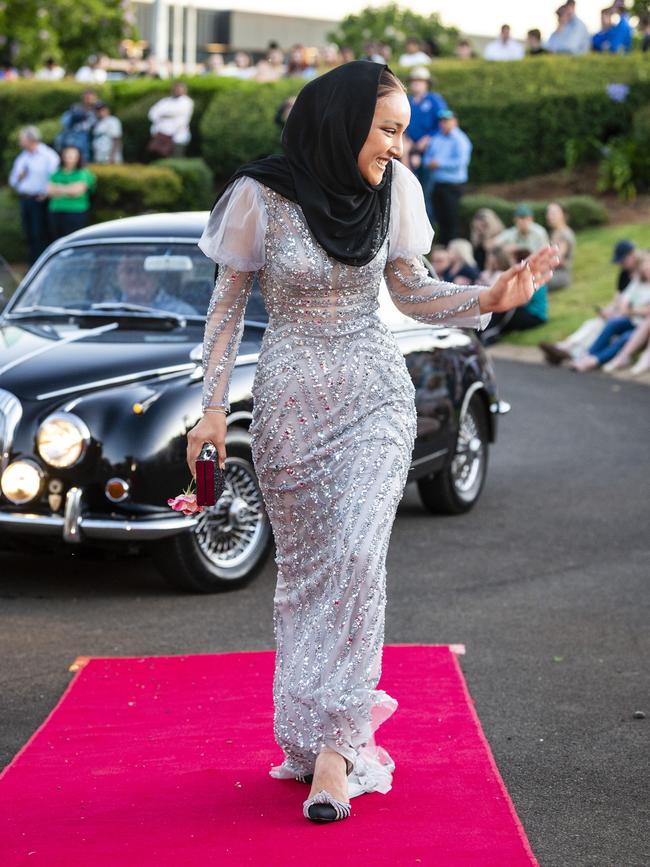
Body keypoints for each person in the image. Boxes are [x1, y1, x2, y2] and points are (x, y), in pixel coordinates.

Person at [187, 60, 558, 824]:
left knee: (358, 559)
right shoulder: (260, 195)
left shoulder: (397, 193)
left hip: (373, 400)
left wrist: (488, 295)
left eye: (404, 133)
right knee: (306, 579)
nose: (397, 147)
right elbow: (226, 309)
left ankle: (338, 750)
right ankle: (308, 734)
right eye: (387, 129)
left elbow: (411, 289)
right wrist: (213, 410)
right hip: (289, 405)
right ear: (340, 119)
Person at [539, 241, 639, 365]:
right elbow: (618, 298)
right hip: (618, 314)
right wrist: (608, 311)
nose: (621, 264)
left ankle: (568, 351)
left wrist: (617, 313)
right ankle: (565, 347)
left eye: (623, 260)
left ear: (632, 255)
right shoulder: (624, 275)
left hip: (630, 317)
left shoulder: (641, 278)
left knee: (599, 327)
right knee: (592, 324)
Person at [570, 252, 650, 371]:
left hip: (642, 326)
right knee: (612, 323)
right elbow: (625, 298)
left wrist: (632, 310)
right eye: (644, 264)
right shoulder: (638, 282)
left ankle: (595, 360)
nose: (645, 267)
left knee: (626, 337)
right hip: (631, 319)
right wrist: (628, 309)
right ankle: (588, 355)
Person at [402, 66, 448, 224]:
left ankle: (429, 230)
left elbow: (443, 122)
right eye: (414, 81)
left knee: (425, 192)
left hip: (429, 151)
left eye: (420, 81)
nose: (416, 84)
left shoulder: (435, 100)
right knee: (409, 190)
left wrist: (428, 138)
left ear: (427, 83)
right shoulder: (407, 100)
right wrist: (405, 138)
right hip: (408, 150)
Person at [8, 126, 60, 263]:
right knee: (29, 234)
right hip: (25, 199)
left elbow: (54, 177)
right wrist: (19, 177)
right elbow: (13, 181)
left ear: (30, 140)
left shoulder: (48, 155)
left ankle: (42, 264)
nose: (20, 142)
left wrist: (45, 194)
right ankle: (32, 265)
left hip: (40, 200)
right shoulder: (23, 157)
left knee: (40, 234)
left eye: (22, 139)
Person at [480, 247, 549, 345]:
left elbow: (524, 300)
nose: (511, 264)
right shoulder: (524, 275)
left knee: (504, 307)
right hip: (525, 311)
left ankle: (489, 334)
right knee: (500, 306)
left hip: (535, 315)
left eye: (513, 261)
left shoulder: (531, 275)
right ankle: (485, 332)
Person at [424, 109, 472, 245]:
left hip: (453, 186)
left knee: (451, 220)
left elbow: (461, 162)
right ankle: (443, 250)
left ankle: (453, 250)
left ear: (455, 122)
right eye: (442, 121)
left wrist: (439, 164)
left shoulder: (461, 140)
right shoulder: (436, 138)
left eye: (447, 121)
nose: (444, 124)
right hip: (437, 183)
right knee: (440, 219)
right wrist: (429, 163)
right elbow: (427, 158)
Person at [115, 255, 196, 316]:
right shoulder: (107, 311)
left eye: (142, 270)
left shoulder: (182, 313)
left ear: (156, 275)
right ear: (118, 277)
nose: (135, 277)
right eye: (128, 271)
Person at [46, 145, 96, 241]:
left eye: (72, 156)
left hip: (76, 213)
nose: (69, 159)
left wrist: (59, 188)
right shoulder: (56, 173)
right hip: (57, 212)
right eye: (67, 155)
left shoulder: (83, 173)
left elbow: (77, 191)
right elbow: (49, 191)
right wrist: (69, 189)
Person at [147, 81, 194, 157]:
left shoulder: (187, 102)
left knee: (176, 157)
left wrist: (163, 115)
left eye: (179, 89)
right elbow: (152, 113)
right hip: (161, 135)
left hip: (178, 136)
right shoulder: (165, 101)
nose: (177, 91)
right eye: (176, 89)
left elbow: (178, 113)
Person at [57, 89, 98, 163]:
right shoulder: (76, 108)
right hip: (71, 136)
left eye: (91, 98)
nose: (88, 100)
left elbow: (92, 126)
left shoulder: (97, 110)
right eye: (87, 98)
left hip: (87, 140)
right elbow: (65, 122)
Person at [546, 202, 576, 290]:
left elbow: (557, 258)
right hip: (550, 272)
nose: (549, 216)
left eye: (553, 213)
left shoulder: (565, 234)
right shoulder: (554, 233)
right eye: (548, 213)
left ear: (563, 215)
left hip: (560, 275)